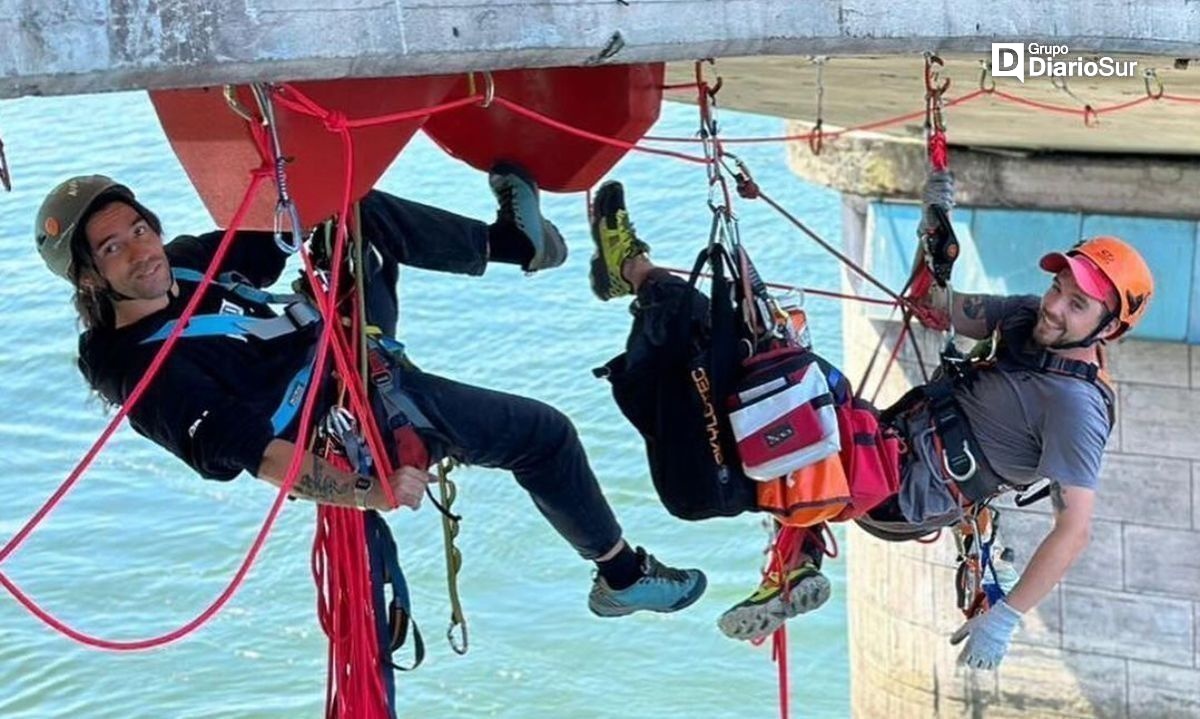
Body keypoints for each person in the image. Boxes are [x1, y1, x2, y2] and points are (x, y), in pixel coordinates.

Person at [33, 169, 706, 618]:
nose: (140, 251)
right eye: (113, 248)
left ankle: (511, 244)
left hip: (352, 346)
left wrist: (300, 158)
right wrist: (371, 492)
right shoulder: (138, 372)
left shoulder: (181, 260)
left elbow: (286, 226)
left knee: (351, 207)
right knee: (544, 435)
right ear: (90, 277)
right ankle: (622, 577)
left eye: (139, 230)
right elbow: (266, 459)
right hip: (351, 423)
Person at [583, 179, 1154, 664]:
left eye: (1078, 304)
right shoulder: (1030, 316)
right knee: (760, 355)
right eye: (1060, 287)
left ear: (1108, 330)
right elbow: (930, 305)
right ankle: (798, 559)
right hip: (886, 441)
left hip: (901, 491)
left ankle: (633, 270)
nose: (1055, 305)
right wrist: (934, 231)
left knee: (769, 375)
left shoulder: (1076, 408)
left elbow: (1074, 529)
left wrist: (1005, 617)